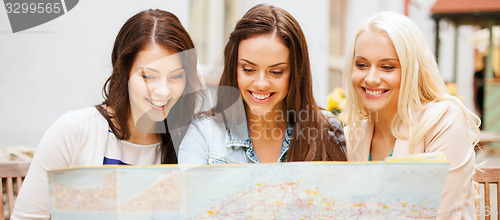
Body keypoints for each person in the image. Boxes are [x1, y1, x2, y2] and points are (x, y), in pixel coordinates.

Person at [12, 9, 203, 219]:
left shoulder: (192, 143)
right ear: (123, 71)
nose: (163, 91)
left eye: (176, 76)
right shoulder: (74, 131)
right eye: (149, 76)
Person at [342, 11, 480, 219]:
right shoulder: (352, 135)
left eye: (387, 67)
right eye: (361, 65)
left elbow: (442, 214)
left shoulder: (444, 121)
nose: (370, 78)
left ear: (412, 70)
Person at [178, 4, 346, 165]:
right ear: (233, 67)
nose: (261, 83)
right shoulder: (204, 136)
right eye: (249, 69)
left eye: (276, 72)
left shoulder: (327, 130)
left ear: (296, 72)